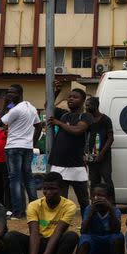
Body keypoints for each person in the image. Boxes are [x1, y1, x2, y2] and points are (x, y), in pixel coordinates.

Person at [5, 172, 78, 254]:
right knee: (10, 237)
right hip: (37, 244)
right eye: (45, 188)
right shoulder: (34, 205)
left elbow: (57, 234)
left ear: (61, 189)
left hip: (54, 245)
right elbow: (34, 234)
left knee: (72, 237)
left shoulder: (69, 206)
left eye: (52, 189)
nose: (48, 192)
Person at [1, 84, 43, 219]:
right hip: (27, 147)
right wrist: (32, 142)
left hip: (14, 147)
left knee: (15, 179)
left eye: (11, 93)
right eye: (7, 92)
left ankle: (18, 212)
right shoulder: (31, 107)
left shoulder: (15, 110)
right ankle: (35, 210)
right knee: (28, 177)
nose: (8, 95)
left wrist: (5, 105)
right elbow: (38, 126)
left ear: (19, 94)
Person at [48, 87, 92, 215]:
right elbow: (48, 106)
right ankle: (61, 229)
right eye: (70, 96)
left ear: (83, 101)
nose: (71, 99)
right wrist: (55, 92)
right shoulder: (64, 115)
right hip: (59, 163)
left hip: (76, 165)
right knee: (60, 201)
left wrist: (59, 123)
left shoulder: (85, 116)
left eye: (75, 97)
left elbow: (78, 130)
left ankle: (86, 228)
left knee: (83, 200)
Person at [85, 96, 115, 203]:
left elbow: (110, 138)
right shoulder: (87, 120)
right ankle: (95, 204)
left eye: (88, 105)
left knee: (107, 180)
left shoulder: (105, 119)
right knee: (93, 181)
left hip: (104, 157)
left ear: (95, 106)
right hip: (91, 157)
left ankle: (112, 204)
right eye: (86, 105)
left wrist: (101, 154)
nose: (86, 107)